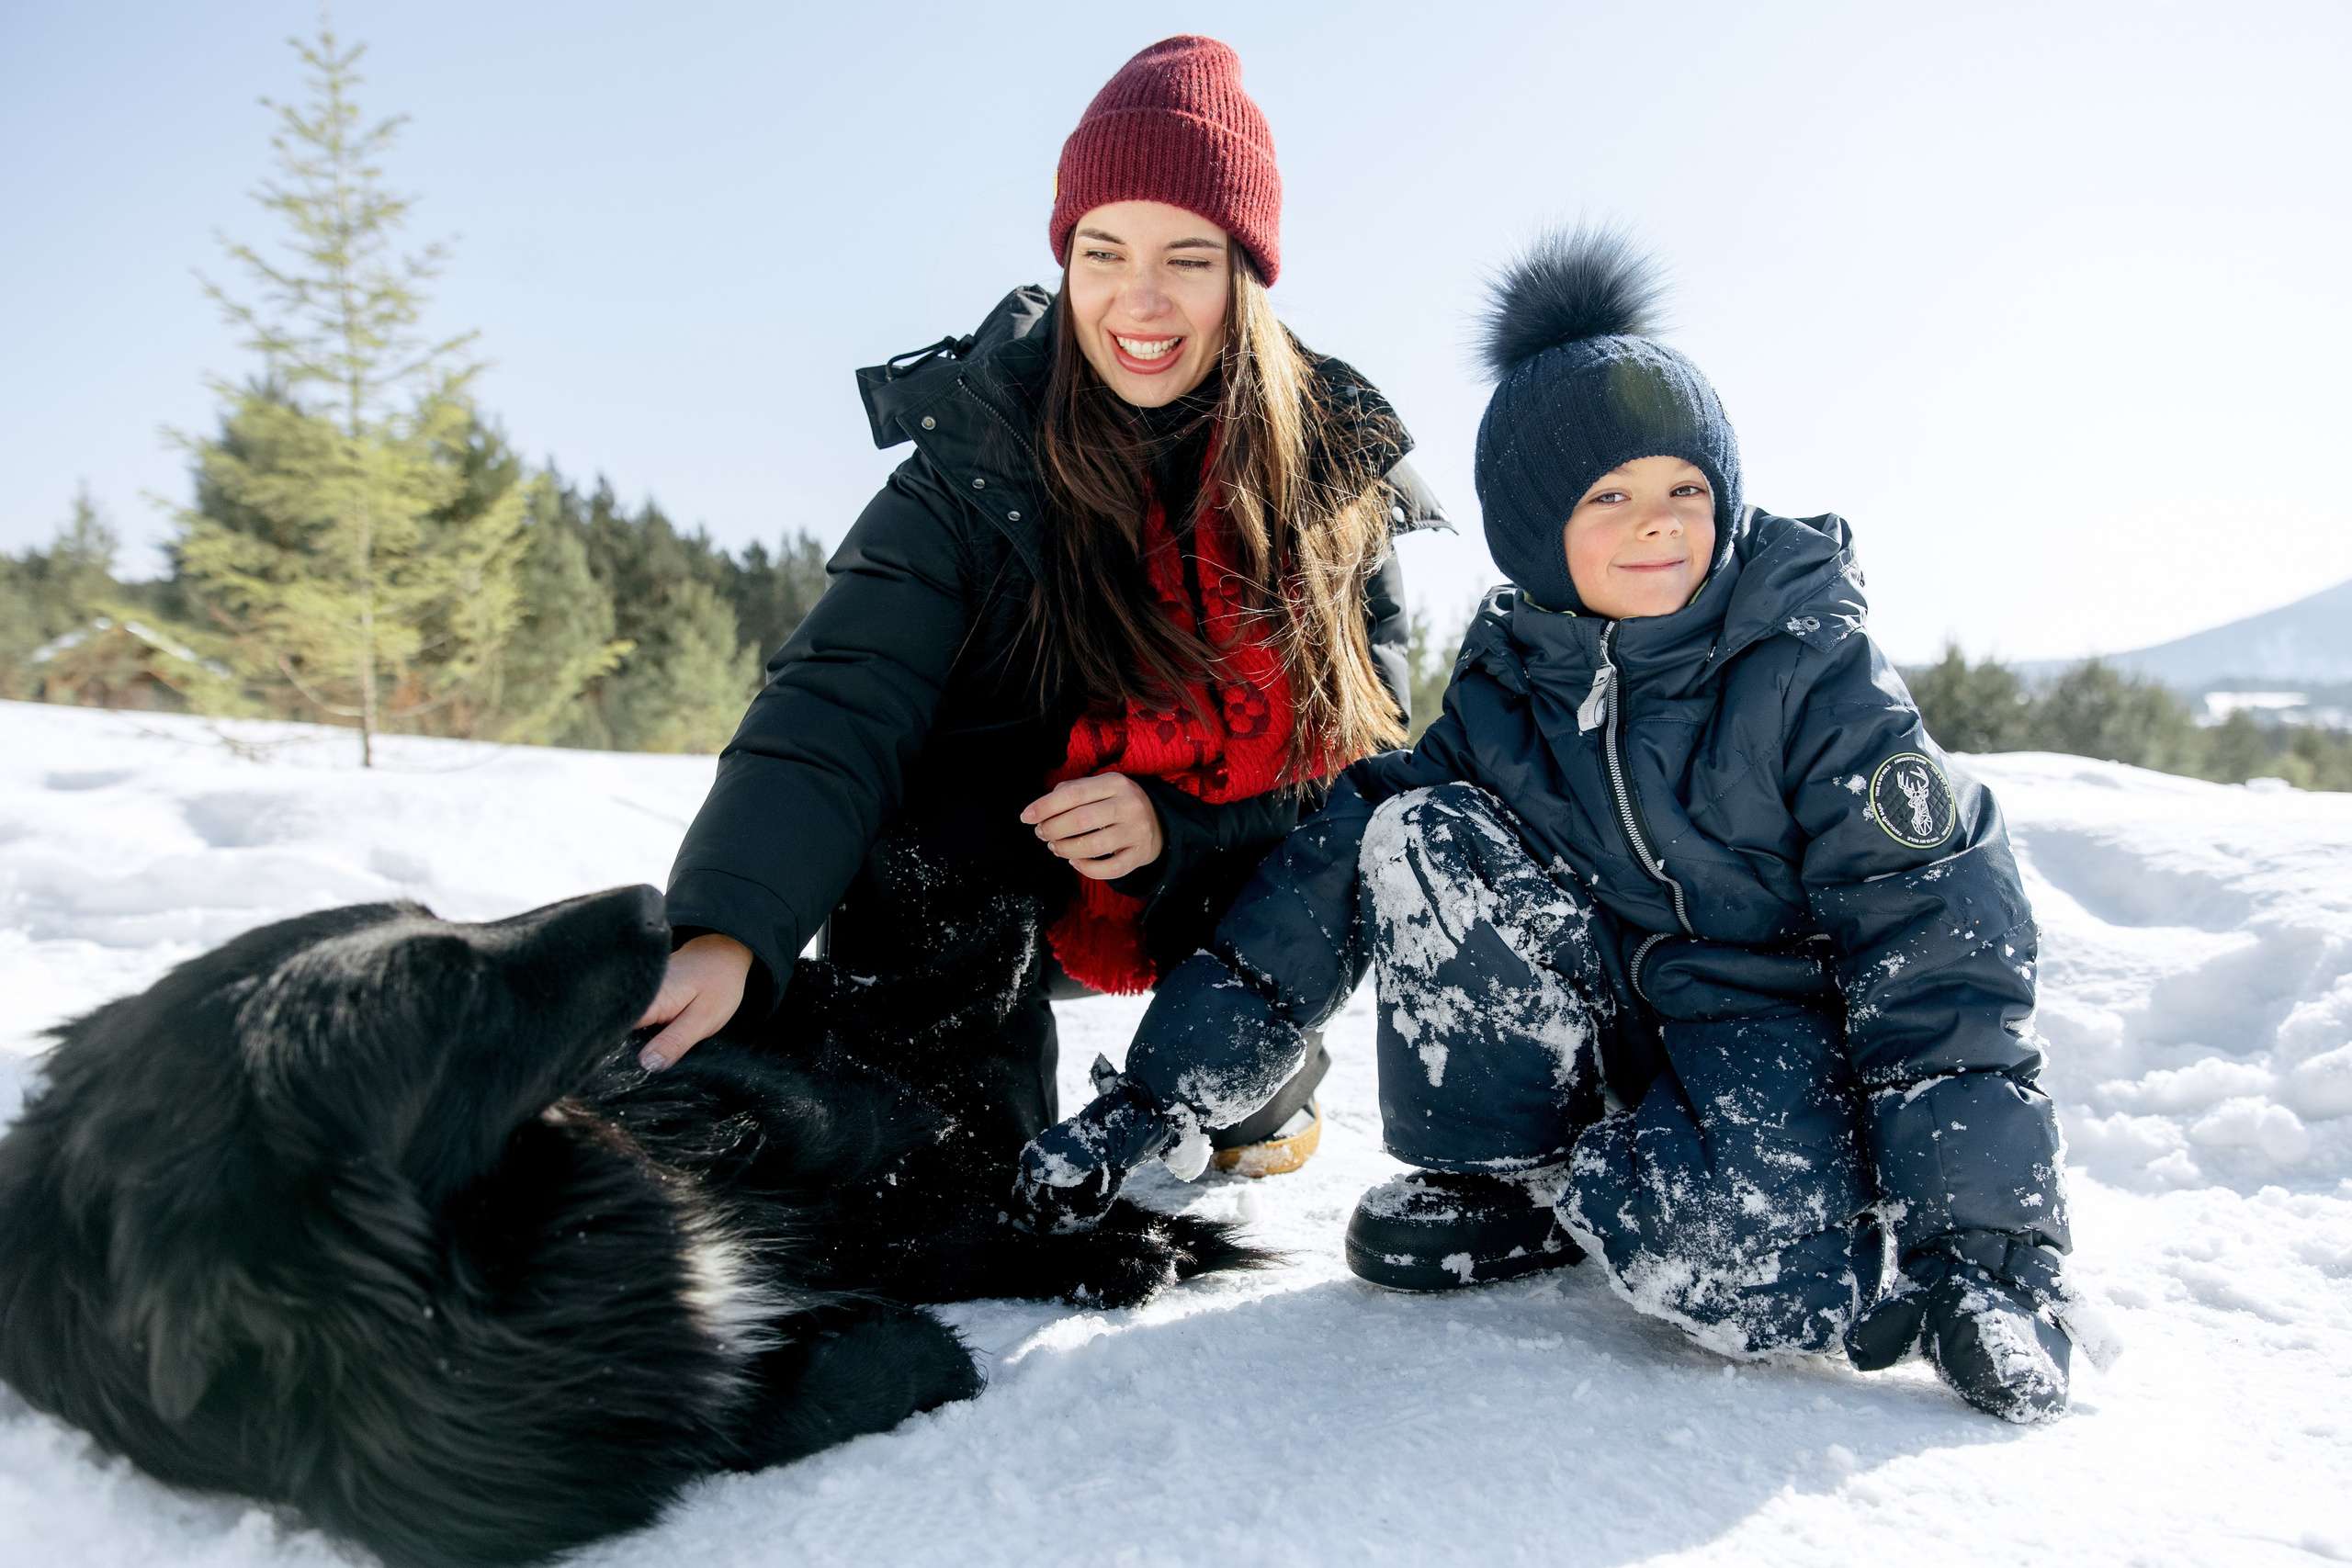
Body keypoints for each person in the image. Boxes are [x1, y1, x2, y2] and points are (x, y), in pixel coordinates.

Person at [1013, 231, 2099, 1423]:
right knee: (1410, 831)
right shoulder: (1510, 684)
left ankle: (1670, 1189)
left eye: (1685, 488)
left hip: (1770, 1028)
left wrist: (1986, 1262)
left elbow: (1941, 959)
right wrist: (1163, 1093)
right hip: (1610, 1014)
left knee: (1777, 1293)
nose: (1658, 524)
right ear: (1538, 532)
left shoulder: (1812, 676)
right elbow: (1325, 878)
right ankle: (1506, 1179)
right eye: (1610, 496)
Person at [633, 36, 1445, 1177]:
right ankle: (958, 1102)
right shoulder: (977, 454)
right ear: (1066, 259)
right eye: (1103, 251)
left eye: (1188, 257)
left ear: (1244, 275)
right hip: (998, 868)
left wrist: (1180, 830)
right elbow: (837, 705)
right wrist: (725, 929)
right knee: (919, 886)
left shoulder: (1330, 483)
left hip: (1223, 875)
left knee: (1312, 897)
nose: (1140, 299)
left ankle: (1241, 1075)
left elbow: (1366, 787)